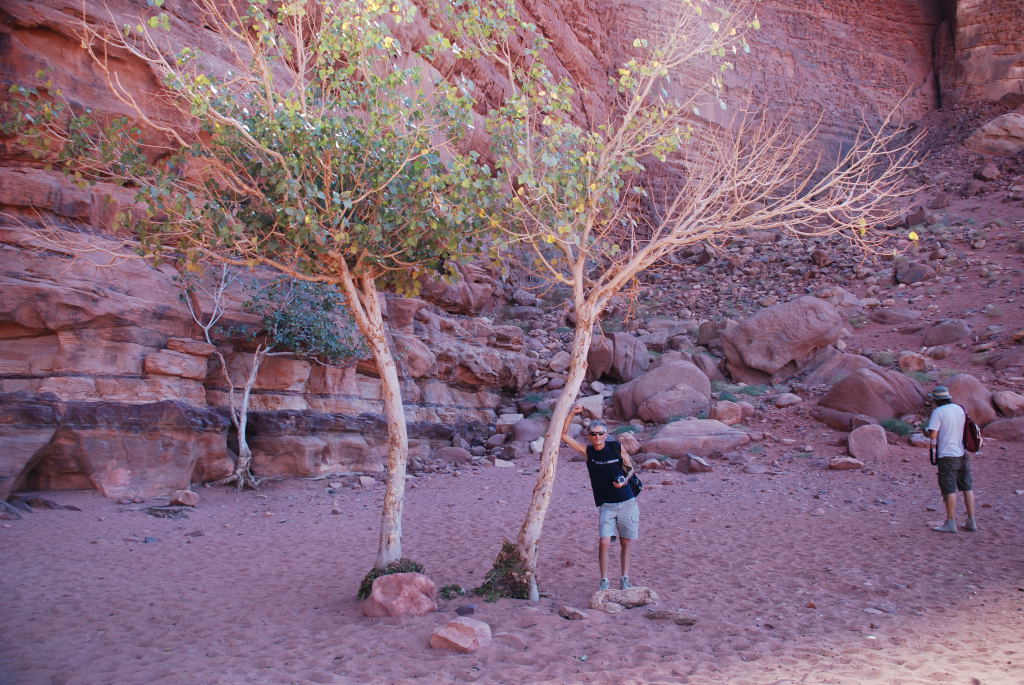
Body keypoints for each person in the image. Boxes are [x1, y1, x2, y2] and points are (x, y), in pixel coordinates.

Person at [560, 405, 639, 591]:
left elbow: (630, 468)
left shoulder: (616, 447)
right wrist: (572, 413)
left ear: (606, 434)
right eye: (593, 434)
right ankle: (604, 581)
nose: (597, 437)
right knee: (604, 541)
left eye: (600, 434)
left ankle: (625, 579)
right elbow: (563, 435)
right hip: (607, 505)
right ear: (589, 436)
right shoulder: (588, 452)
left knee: (625, 542)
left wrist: (624, 480)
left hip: (627, 501)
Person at [925, 386, 977, 533]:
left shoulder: (938, 412)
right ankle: (971, 521)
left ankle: (950, 523)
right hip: (962, 453)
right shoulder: (960, 408)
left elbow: (933, 435)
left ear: (936, 399)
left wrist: (926, 432)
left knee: (949, 489)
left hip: (947, 456)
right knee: (967, 487)